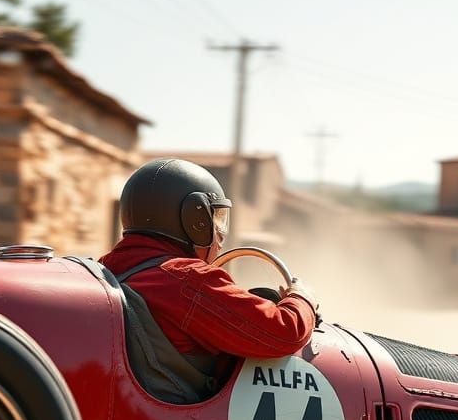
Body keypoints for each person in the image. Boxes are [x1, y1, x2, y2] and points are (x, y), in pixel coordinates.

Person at [100, 158, 319, 403]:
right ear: (196, 220)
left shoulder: (105, 270)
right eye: (215, 219)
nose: (219, 233)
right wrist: (301, 299)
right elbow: (284, 331)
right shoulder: (186, 279)